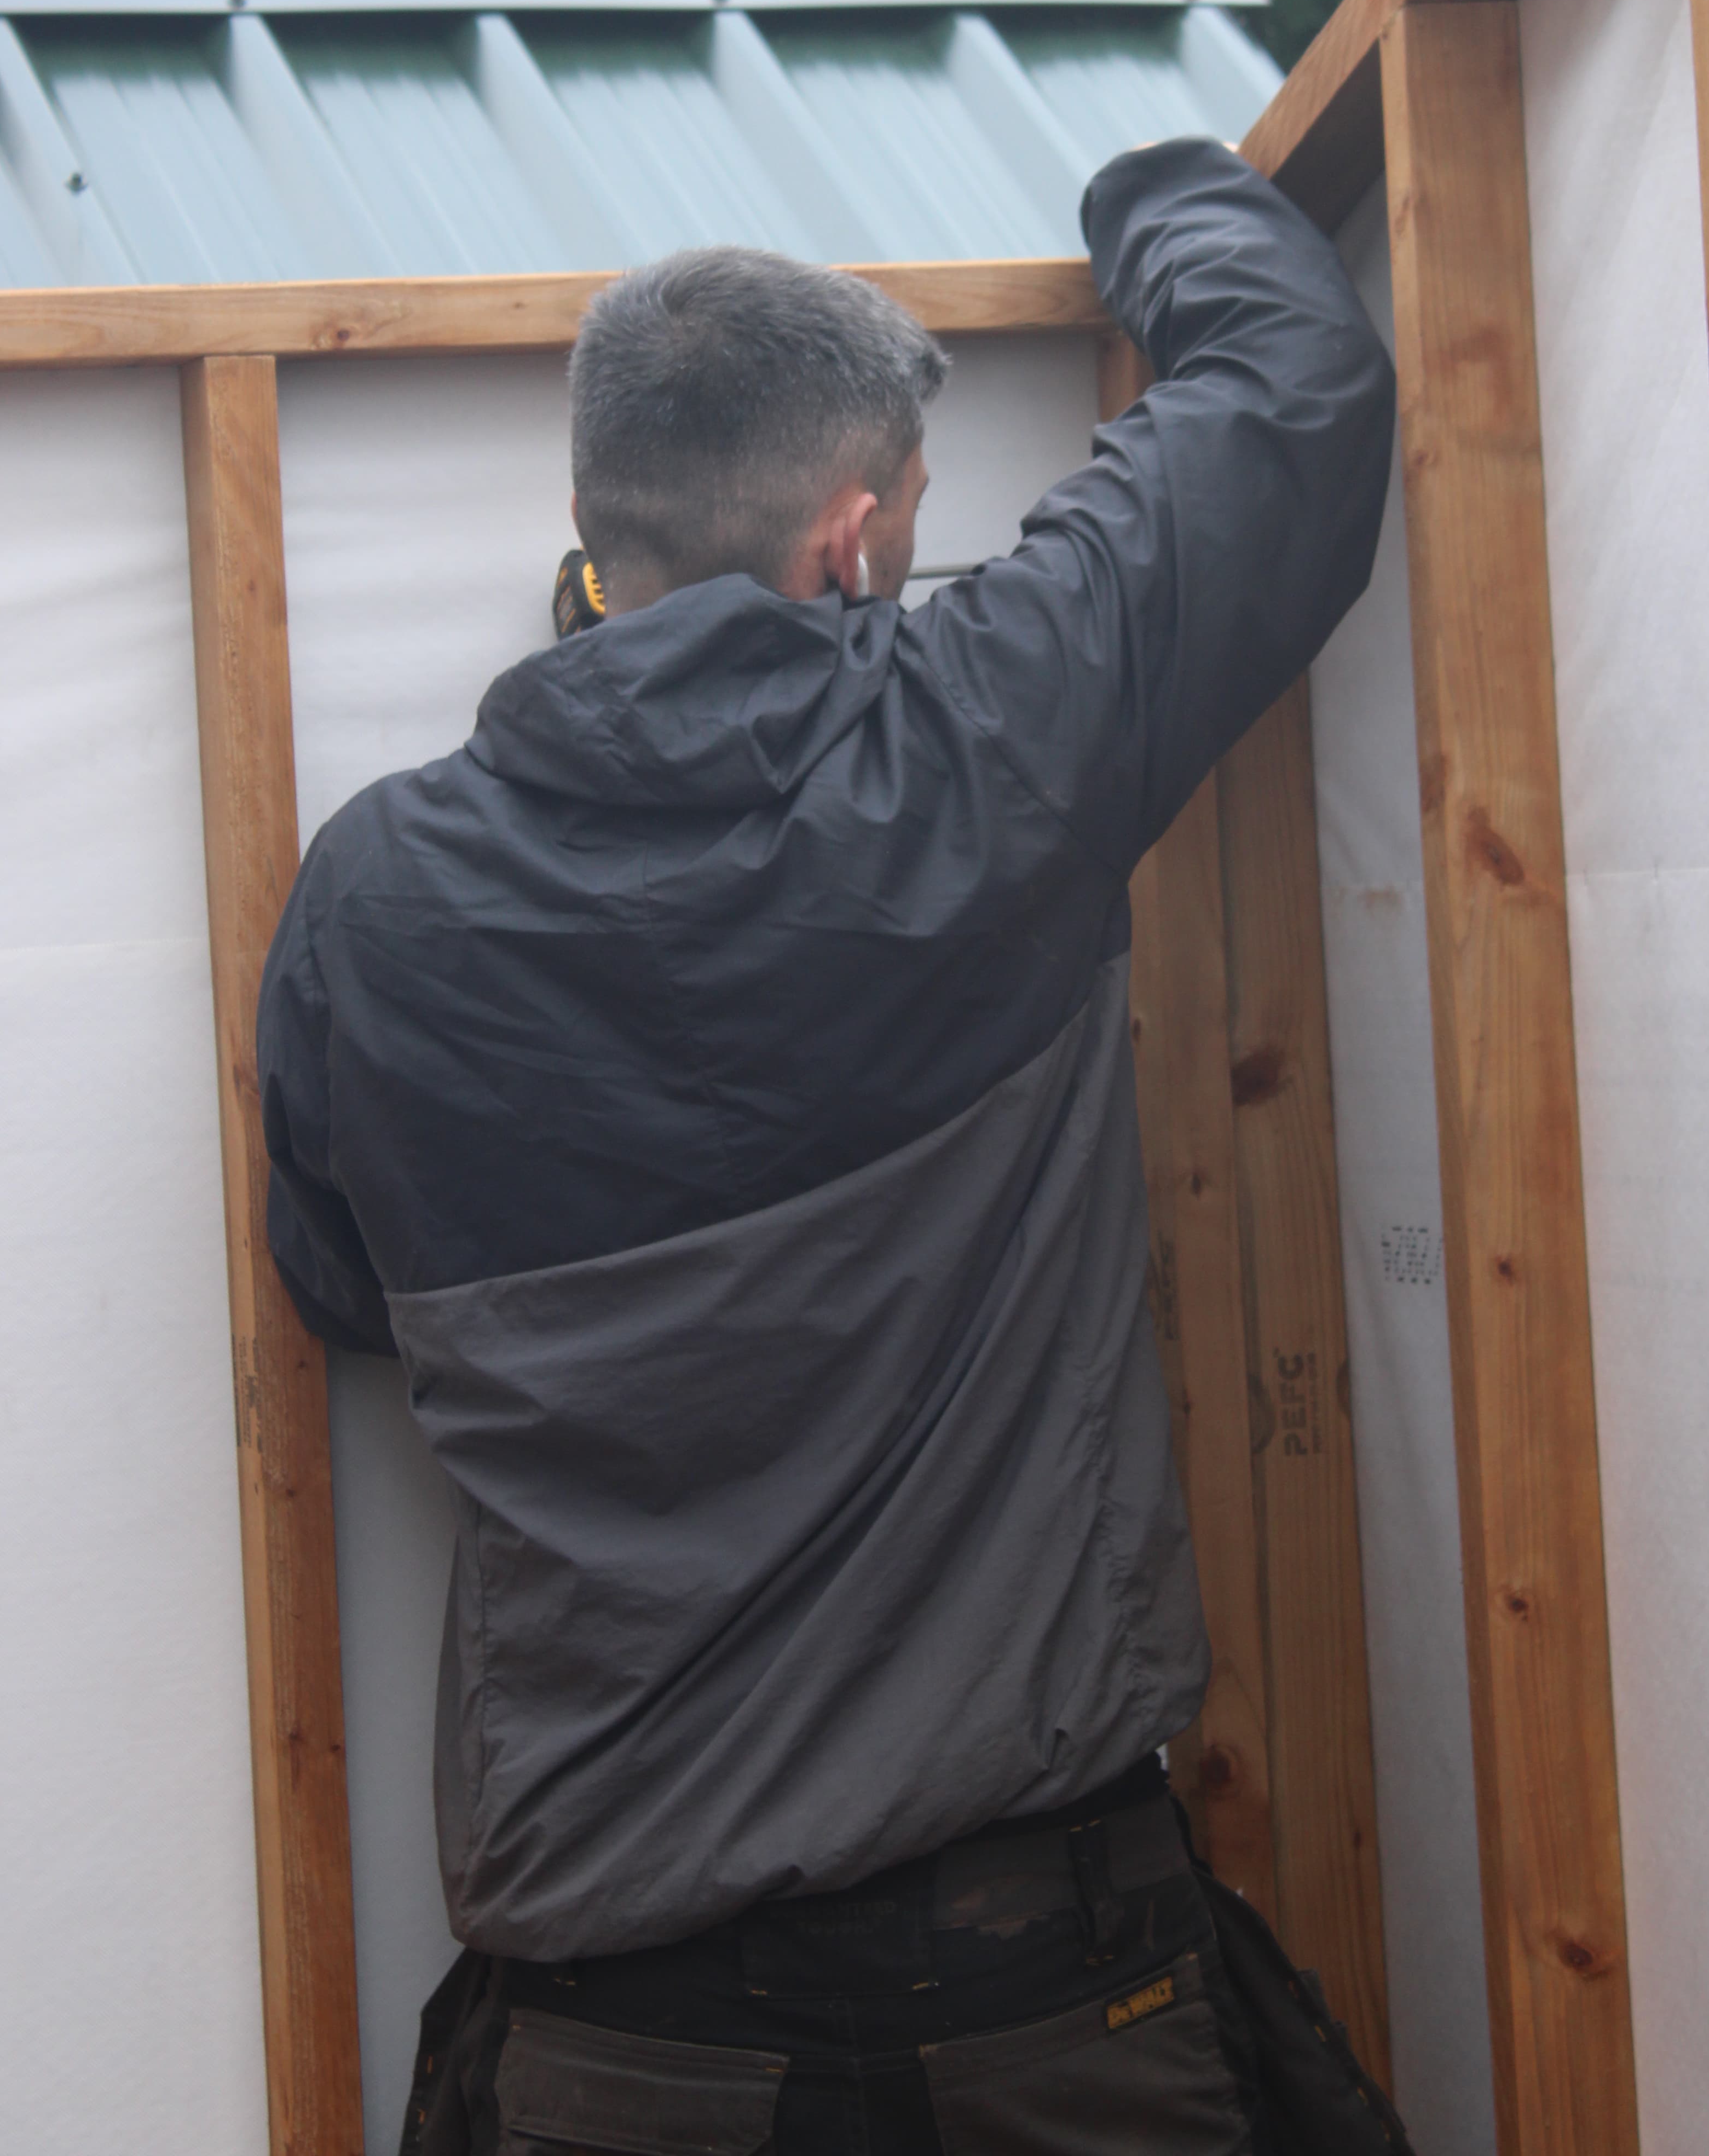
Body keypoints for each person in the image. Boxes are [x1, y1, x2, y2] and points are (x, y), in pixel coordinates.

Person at [259, 134, 1395, 2155]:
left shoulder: (376, 898)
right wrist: (1151, 184)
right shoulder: (986, 740)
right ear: (854, 544)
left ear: (593, 531)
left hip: (621, 2035)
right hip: (1047, 1989)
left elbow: (345, 1288)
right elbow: (1290, 393)